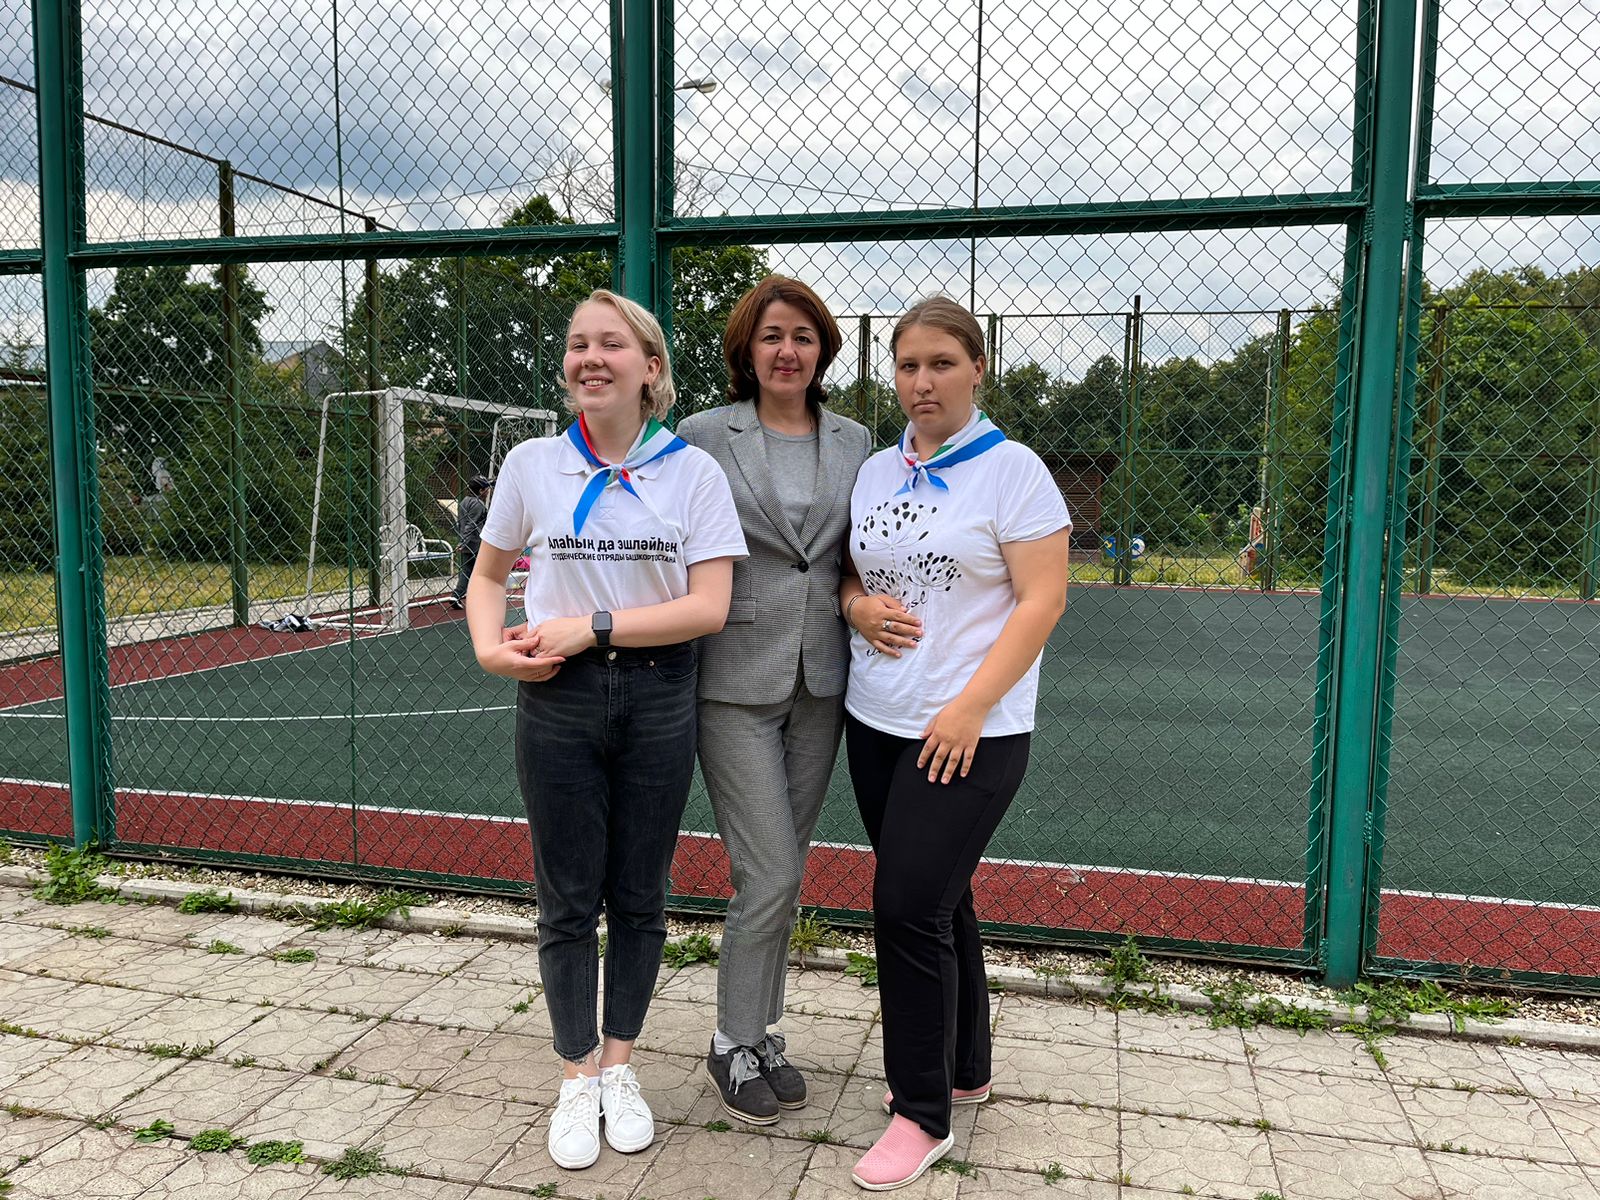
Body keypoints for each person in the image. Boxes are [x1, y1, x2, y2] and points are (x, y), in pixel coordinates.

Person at [466, 289, 747, 1171]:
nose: (591, 358)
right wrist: (490, 650)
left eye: (612, 344)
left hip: (660, 694)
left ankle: (620, 1067)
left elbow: (708, 606)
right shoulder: (533, 465)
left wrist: (593, 627)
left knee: (639, 895)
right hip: (560, 696)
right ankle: (576, 1074)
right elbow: (487, 577)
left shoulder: (693, 473)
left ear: (650, 367)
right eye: (578, 344)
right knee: (566, 898)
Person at [838, 296, 1070, 1191]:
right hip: (876, 720)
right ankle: (966, 1068)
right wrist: (856, 606)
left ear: (977, 368)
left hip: (969, 732)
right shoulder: (875, 470)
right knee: (941, 900)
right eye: (907, 365)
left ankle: (919, 1112)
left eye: (941, 363)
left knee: (905, 906)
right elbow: (852, 568)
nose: (922, 382)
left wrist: (971, 706)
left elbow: (1043, 600)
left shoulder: (1013, 472)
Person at [675, 276, 872, 1125]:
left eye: (802, 336)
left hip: (822, 680)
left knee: (785, 872)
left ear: (823, 349)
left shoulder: (857, 439)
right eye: (771, 336)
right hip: (733, 679)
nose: (787, 351)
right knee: (770, 870)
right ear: (745, 350)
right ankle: (730, 1041)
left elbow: (852, 553)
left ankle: (760, 1034)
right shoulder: (702, 435)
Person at [450, 473, 493, 608]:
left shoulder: (464, 501)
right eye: (486, 488)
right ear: (480, 491)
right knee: (481, 571)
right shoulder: (478, 504)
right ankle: (481, 597)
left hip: (468, 542)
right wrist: (463, 542)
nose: (488, 491)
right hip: (475, 543)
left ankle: (457, 595)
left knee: (467, 571)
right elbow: (471, 524)